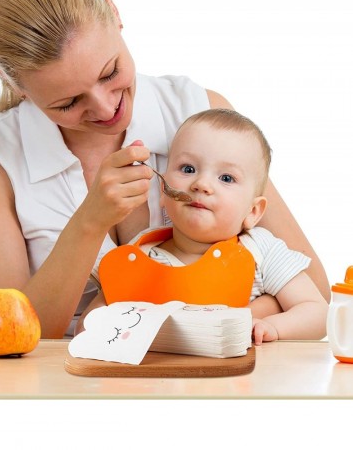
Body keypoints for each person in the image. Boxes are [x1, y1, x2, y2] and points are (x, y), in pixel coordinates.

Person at [0, 0, 330, 338]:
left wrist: (219, 323)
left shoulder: (198, 113)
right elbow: (6, 335)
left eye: (109, 72)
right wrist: (90, 221)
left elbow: (315, 291)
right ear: (15, 84)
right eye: (68, 103)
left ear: (115, 14)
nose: (105, 109)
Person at [81, 109, 328, 344]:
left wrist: (274, 327)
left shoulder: (262, 252)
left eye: (226, 178)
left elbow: (317, 312)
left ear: (253, 212)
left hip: (240, 383)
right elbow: (87, 327)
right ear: (163, 193)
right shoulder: (141, 254)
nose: (201, 184)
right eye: (188, 169)